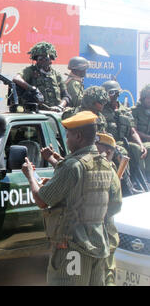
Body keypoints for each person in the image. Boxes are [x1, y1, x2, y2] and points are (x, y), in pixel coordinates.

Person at [21, 111, 120, 286]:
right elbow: (114, 204)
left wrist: (29, 175)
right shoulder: (105, 165)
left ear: (79, 136)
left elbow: (42, 199)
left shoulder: (73, 166)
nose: (67, 141)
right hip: (99, 246)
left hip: (72, 249)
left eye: (68, 136)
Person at [101, 80, 148, 185]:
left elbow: (132, 131)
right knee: (122, 152)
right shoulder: (102, 111)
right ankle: (126, 184)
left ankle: (141, 181)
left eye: (112, 93)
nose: (110, 96)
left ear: (117, 93)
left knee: (137, 149)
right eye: (108, 94)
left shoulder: (125, 110)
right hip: (109, 144)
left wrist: (141, 145)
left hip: (124, 141)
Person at [95, 132, 122, 286]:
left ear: (109, 152)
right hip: (95, 236)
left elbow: (116, 205)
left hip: (105, 234)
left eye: (97, 148)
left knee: (106, 276)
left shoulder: (109, 172)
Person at [13, 41, 70, 111]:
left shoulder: (56, 75)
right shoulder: (30, 71)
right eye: (40, 59)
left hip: (56, 113)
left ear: (50, 60)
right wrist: (32, 88)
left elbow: (66, 96)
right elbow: (16, 78)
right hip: (37, 113)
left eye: (46, 59)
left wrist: (60, 107)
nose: (43, 61)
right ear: (36, 60)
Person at [131, 84, 150, 182]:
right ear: (143, 98)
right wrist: (147, 137)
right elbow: (133, 130)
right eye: (148, 98)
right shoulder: (135, 111)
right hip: (139, 141)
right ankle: (145, 179)